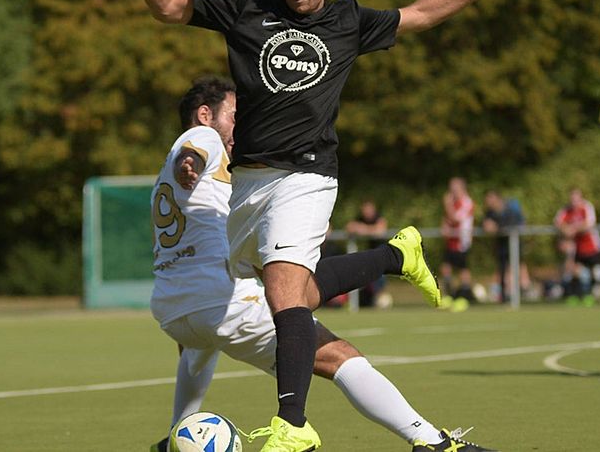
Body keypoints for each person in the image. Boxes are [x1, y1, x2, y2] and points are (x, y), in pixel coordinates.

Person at [110, 0, 537, 447]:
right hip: (248, 187)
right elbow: (170, 7)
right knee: (295, 292)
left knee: (288, 295)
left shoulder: (348, 20)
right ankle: (395, 257)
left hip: (306, 175)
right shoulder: (249, 5)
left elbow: (422, 13)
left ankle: (292, 426)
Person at [149, 77, 495, 452]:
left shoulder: (171, 179)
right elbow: (194, 151)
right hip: (225, 303)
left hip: (173, 307)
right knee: (338, 355)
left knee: (212, 338)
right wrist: (191, 162)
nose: (241, 125)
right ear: (205, 114)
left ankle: (173, 439)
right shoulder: (204, 138)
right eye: (235, 115)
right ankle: (431, 441)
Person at [552, 188, 600, 307]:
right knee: (574, 271)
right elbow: (558, 222)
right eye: (572, 198)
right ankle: (577, 295)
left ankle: (590, 295)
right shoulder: (566, 209)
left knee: (594, 272)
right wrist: (565, 229)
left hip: (591, 246)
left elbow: (589, 224)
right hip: (577, 248)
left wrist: (573, 229)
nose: (574, 201)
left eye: (576, 198)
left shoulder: (587, 207)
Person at [481, 189, 531, 302]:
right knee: (502, 270)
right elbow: (485, 223)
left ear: (497, 198)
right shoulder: (490, 212)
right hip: (501, 246)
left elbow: (515, 224)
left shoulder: (511, 208)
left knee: (516, 267)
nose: (488, 203)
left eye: (490, 199)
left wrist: (497, 227)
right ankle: (504, 297)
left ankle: (521, 294)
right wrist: (486, 225)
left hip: (514, 244)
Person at [345, 199, 390, 307]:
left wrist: (362, 229)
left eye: (369, 209)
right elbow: (349, 227)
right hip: (369, 255)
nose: (367, 212)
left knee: (379, 280)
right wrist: (368, 230)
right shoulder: (360, 218)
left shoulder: (378, 217)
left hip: (382, 254)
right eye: (365, 209)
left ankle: (379, 300)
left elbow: (380, 230)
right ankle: (369, 302)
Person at [440, 177, 476, 311]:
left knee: (463, 270)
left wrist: (447, 204)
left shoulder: (466, 202)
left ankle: (464, 298)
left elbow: (455, 218)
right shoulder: (453, 202)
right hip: (450, 241)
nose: (452, 191)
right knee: (446, 268)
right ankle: (449, 296)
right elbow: (447, 219)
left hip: (462, 242)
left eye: (455, 188)